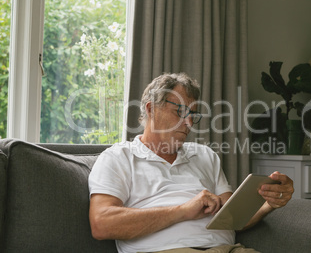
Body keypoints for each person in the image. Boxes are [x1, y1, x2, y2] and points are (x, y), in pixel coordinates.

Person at [88, 73, 294, 253]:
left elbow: (233, 220)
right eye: (179, 111)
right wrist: (183, 210)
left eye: (192, 115)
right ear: (151, 109)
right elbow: (101, 224)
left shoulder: (205, 156)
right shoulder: (118, 157)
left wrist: (269, 203)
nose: (188, 123)